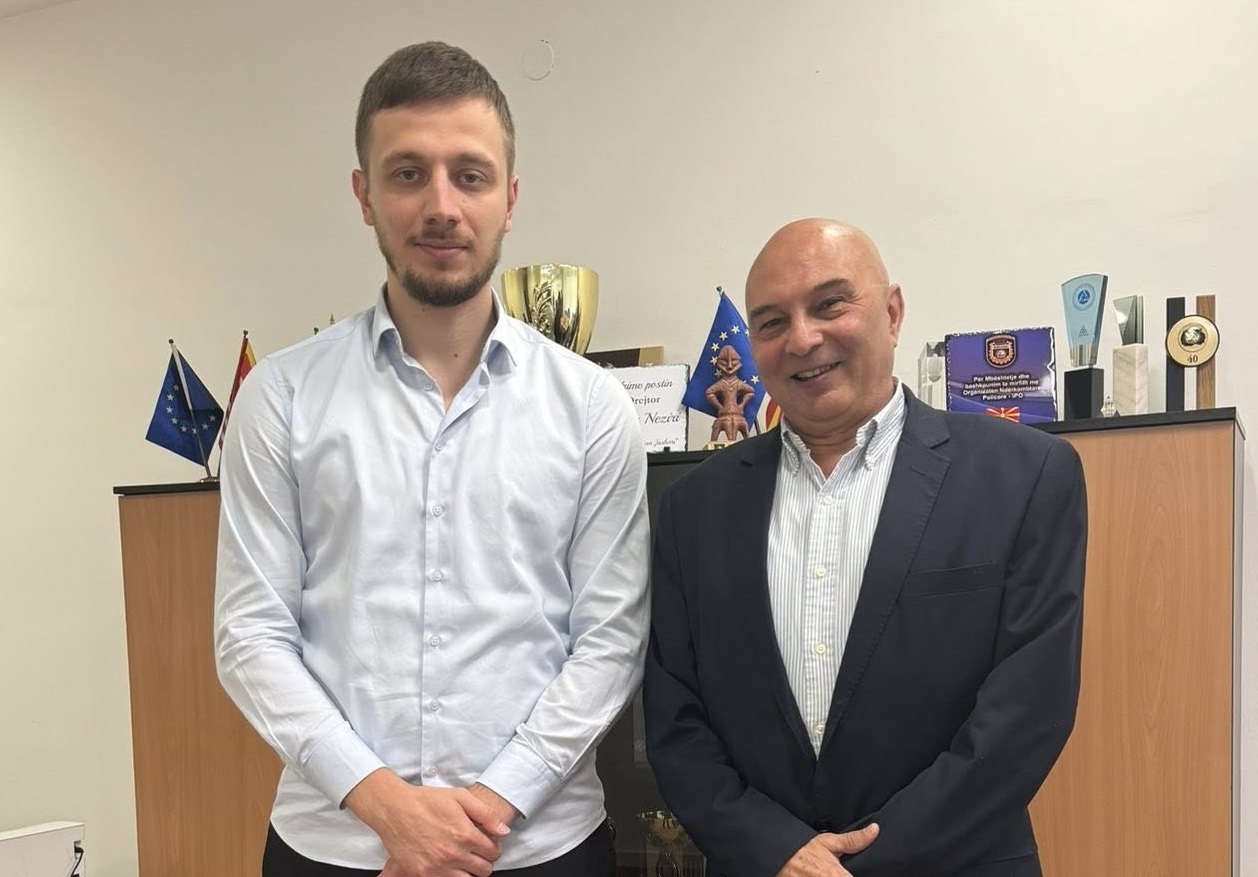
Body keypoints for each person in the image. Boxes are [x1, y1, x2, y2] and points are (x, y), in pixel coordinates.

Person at [214, 42, 650, 877]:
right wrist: (389, 807)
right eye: (408, 174)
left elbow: (610, 641)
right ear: (364, 195)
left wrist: (480, 814)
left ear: (509, 199)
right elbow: (251, 635)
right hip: (338, 845)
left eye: (470, 175)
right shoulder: (282, 396)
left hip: (539, 846)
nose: (441, 206)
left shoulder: (593, 407)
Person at [643, 219, 1086, 877]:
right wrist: (776, 850)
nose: (802, 338)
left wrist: (855, 866)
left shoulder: (1025, 475)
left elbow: (1028, 711)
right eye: (771, 322)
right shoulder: (693, 508)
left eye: (830, 304)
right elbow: (674, 718)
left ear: (892, 312)